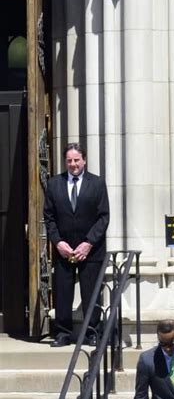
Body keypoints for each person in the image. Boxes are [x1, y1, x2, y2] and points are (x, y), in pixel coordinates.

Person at [44, 143, 109, 347]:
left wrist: (88, 243)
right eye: (69, 160)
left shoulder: (97, 184)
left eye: (76, 160)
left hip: (91, 250)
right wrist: (58, 242)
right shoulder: (54, 184)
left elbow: (103, 217)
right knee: (63, 292)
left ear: (84, 160)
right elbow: (49, 217)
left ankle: (92, 333)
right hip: (64, 249)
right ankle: (63, 333)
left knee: (91, 292)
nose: (73, 164)